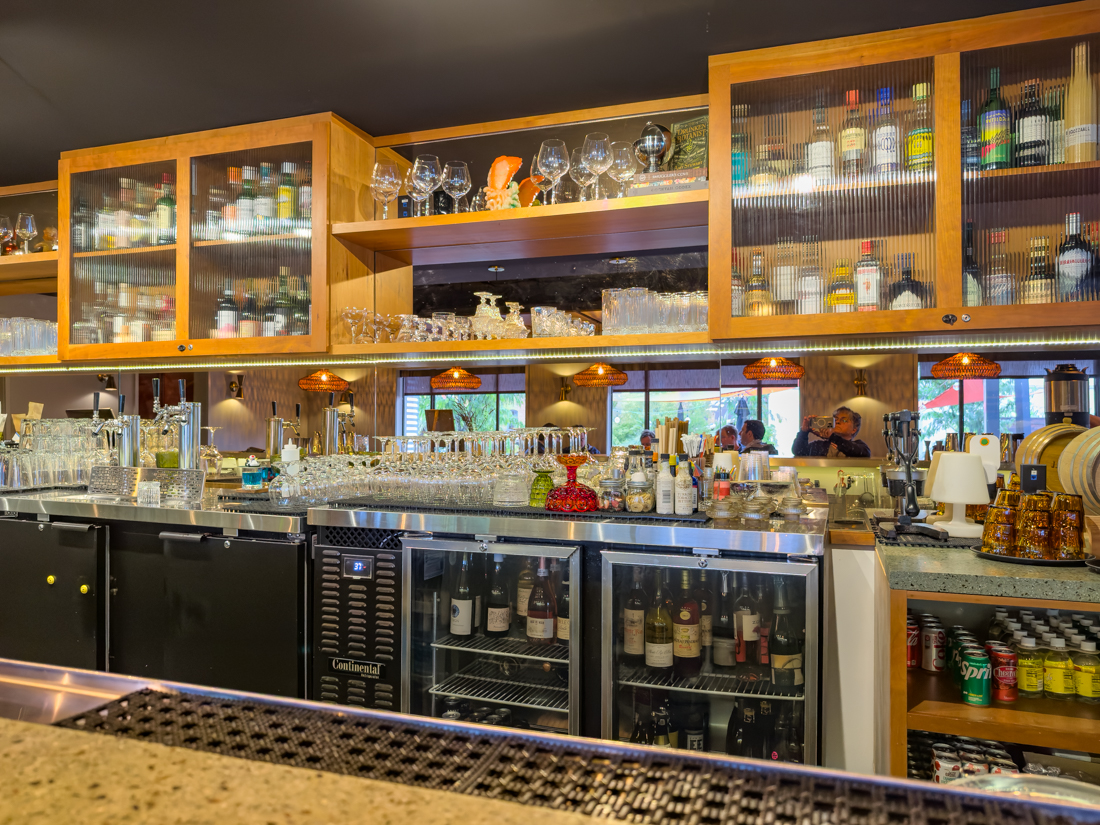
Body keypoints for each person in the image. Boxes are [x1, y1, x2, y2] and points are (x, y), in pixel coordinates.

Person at [792, 406, 871, 458]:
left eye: (844, 420)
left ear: (854, 429)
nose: (837, 422)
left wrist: (832, 437)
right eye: (835, 419)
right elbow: (798, 452)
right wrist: (804, 432)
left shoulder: (859, 446)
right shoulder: (819, 445)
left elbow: (864, 453)